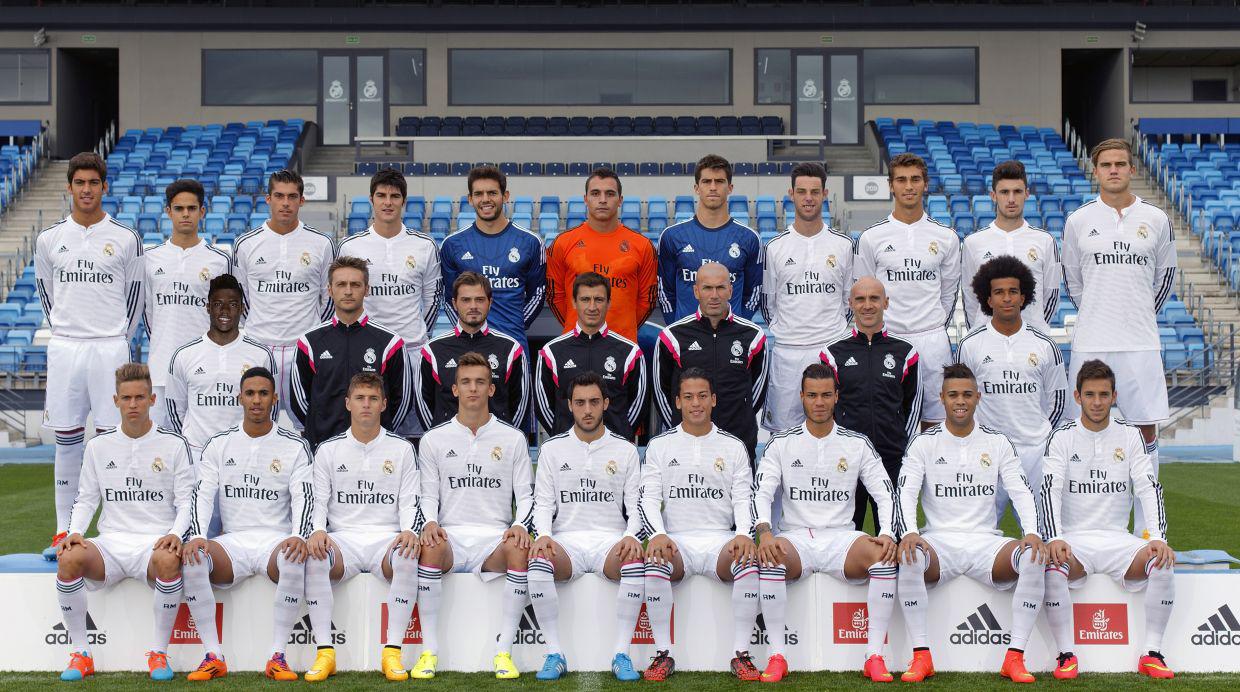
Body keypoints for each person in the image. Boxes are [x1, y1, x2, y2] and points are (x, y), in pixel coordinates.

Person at [893, 363, 1047, 684]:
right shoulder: (924, 442)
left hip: (986, 544)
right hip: (939, 543)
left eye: (966, 394)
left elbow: (1021, 490)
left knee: (1033, 555)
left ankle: (1015, 657)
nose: (959, 401)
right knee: (909, 556)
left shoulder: (997, 442)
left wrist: (1031, 532)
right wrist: (909, 532)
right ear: (942, 398)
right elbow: (905, 492)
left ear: (978, 397)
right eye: (953, 395)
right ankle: (921, 656)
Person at [751, 363, 900, 682]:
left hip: (841, 539)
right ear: (802, 397)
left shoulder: (856, 443)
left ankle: (874, 655)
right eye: (812, 395)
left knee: (884, 558)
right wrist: (764, 532)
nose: (819, 402)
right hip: (796, 539)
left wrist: (886, 532)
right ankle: (777, 655)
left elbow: (886, 493)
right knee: (771, 558)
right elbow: (761, 492)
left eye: (826, 395)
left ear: (836, 397)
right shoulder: (781, 443)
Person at [1063, 138, 1176, 538]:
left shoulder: (1157, 219)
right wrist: (1101, 311)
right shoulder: (1078, 221)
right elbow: (1074, 282)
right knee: (1081, 429)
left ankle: (1148, 533)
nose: (1114, 170)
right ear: (1095, 170)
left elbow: (1165, 277)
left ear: (1132, 169)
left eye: (1121, 164)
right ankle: (1081, 528)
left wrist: (1138, 313)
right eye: (1106, 164)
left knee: (1145, 432)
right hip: (1092, 340)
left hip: (1141, 343)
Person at [53, 363, 194, 682]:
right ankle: (81, 654)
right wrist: (75, 532)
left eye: (140, 398)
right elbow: (86, 498)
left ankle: (159, 653)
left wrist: (174, 533)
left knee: (169, 560)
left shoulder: (174, 445)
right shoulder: (98, 447)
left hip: (153, 543)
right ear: (116, 400)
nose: (133, 405)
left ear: (152, 400)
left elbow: (187, 500)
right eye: (127, 398)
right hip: (112, 543)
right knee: (69, 557)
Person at [35, 151, 145, 559]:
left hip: (109, 345)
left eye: (93, 183)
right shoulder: (49, 239)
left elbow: (135, 299)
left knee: (111, 438)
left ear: (104, 187)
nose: (86, 189)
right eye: (79, 183)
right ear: (69, 187)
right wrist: (67, 330)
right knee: (66, 437)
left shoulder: (125, 237)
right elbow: (47, 294)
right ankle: (63, 529)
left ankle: (111, 528)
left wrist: (116, 338)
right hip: (65, 345)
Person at [1040, 360, 1176, 680]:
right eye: (1090, 394)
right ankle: (1065, 655)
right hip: (1075, 540)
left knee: (1163, 560)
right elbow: (1050, 490)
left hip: (1119, 540)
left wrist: (1158, 537)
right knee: (1051, 565)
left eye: (1104, 394)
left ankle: (1152, 653)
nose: (1097, 402)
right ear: (1077, 396)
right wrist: (1055, 537)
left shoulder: (1129, 435)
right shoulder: (1062, 436)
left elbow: (1148, 486)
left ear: (1114, 396)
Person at [178, 366, 314, 681]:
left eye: (263, 394)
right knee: (195, 557)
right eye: (250, 393)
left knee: (294, 558)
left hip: (274, 542)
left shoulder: (293, 445)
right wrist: (198, 535)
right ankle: (212, 655)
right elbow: (202, 493)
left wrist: (298, 535)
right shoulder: (218, 444)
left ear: (275, 399)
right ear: (239, 397)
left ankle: (277, 656)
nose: (256, 400)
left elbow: (304, 497)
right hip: (233, 542)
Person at [414, 351, 535, 680]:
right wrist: (429, 522)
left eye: (480, 382)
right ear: (454, 390)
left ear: (491, 390)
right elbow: (427, 494)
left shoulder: (513, 439)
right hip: (451, 536)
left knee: (521, 549)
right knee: (429, 546)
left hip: (493, 538)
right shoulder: (433, 440)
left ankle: (503, 652)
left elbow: (525, 496)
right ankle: (430, 651)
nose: (473, 389)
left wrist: (520, 525)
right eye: (465, 382)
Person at [303, 373, 424, 682]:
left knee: (409, 554)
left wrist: (410, 529)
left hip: (387, 539)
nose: (366, 405)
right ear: (348, 404)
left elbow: (410, 501)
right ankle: (325, 652)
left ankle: (392, 652)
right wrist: (317, 530)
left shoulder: (402, 449)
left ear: (384, 404)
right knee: (316, 556)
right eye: (360, 398)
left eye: (373, 399)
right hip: (344, 541)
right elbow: (318, 501)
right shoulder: (329, 450)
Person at [638, 367, 758, 681]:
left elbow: (743, 498)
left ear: (714, 400)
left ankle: (741, 654)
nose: (696, 403)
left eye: (702, 396)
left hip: (720, 540)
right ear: (677, 402)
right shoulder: (660, 446)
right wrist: (658, 534)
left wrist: (744, 533)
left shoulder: (733, 446)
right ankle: (663, 653)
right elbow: (649, 498)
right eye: (688, 397)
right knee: (654, 562)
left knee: (748, 562)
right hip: (677, 541)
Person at [526, 371, 645, 681]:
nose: (587, 410)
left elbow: (636, 507)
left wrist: (631, 535)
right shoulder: (552, 450)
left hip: (611, 542)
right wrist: (544, 536)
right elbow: (543, 504)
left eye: (594, 402)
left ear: (606, 403)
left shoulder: (626, 450)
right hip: (567, 542)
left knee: (634, 559)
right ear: (569, 405)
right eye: (580, 403)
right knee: (537, 562)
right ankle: (554, 652)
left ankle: (622, 653)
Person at [955, 255, 1067, 519]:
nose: (1006, 298)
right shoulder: (970, 345)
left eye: (1013, 292)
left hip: (1034, 452)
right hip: (987, 451)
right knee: (977, 533)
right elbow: (961, 398)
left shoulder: (1045, 345)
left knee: (1043, 533)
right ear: (988, 298)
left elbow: (1058, 400)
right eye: (999, 292)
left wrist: (1039, 433)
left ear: (1023, 297)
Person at [854, 152, 961, 427]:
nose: (909, 186)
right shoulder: (871, 238)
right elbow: (864, 292)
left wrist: (933, 323)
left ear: (926, 184)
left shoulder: (945, 237)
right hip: (888, 339)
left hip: (932, 340)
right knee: (888, 420)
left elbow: (948, 294)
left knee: (935, 422)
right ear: (891, 185)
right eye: (901, 180)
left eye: (915, 179)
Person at [336, 168, 443, 440]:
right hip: (367, 352)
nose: (388, 202)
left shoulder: (424, 246)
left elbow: (432, 299)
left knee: (414, 432)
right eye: (381, 195)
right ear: (371, 200)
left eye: (395, 196)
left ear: (403, 201)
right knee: (365, 426)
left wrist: (416, 334)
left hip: (411, 350)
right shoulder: (351, 246)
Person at [232, 169, 336, 427]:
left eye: (292, 196)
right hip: (259, 348)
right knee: (255, 422)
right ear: (268, 199)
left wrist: (310, 334)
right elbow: (242, 299)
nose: (285, 203)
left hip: (302, 349)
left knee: (308, 423)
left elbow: (329, 299)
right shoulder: (245, 244)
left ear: (302, 200)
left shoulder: (321, 243)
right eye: (279, 196)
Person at [819, 277, 920, 532]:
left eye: (874, 298)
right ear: (850, 303)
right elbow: (823, 407)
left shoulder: (906, 352)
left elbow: (913, 404)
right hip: (846, 458)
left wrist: (898, 442)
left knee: (894, 538)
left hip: (890, 459)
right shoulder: (832, 353)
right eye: (860, 299)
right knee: (843, 538)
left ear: (886, 302)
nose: (867, 305)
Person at [761, 162, 854, 433]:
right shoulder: (775, 247)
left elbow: (849, 303)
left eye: (815, 191)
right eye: (802, 191)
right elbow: (770, 306)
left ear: (825, 193)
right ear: (791, 194)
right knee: (783, 432)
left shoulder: (843, 245)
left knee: (834, 429)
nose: (808, 198)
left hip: (830, 348)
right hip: (788, 352)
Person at [291, 256, 410, 449]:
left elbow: (402, 400)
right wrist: (319, 429)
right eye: (341, 284)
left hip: (375, 447)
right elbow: (300, 401)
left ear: (367, 289)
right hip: (323, 447)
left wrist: (379, 431)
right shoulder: (309, 342)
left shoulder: (390, 342)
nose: (348, 291)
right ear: (329, 290)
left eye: (355, 284)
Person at [654, 262, 767, 461]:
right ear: (696, 291)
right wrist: (680, 423)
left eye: (720, 287)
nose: (714, 295)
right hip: (687, 442)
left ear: (731, 290)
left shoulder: (754, 336)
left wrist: (740, 417)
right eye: (707, 288)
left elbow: (757, 391)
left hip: (738, 441)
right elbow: (662, 393)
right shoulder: (672, 336)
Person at [143, 178, 232, 427]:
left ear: (202, 212)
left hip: (205, 368)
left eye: (192, 209)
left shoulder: (219, 260)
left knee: (205, 446)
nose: (185, 214)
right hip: (161, 369)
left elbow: (226, 316)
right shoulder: (150, 259)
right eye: (179, 208)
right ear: (168, 212)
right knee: (162, 449)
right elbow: (149, 315)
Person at [165, 274, 276, 456]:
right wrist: (190, 444)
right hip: (198, 453)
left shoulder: (261, 355)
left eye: (232, 304)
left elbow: (270, 408)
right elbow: (175, 409)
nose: (224, 311)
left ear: (242, 308)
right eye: (217, 304)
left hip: (243, 452)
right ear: (208, 307)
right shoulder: (184, 355)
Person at [439, 165, 545, 352]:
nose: (485, 199)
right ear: (470, 199)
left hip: (514, 345)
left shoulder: (530, 242)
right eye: (479, 194)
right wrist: (470, 328)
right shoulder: (452, 244)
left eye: (492, 193)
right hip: (469, 347)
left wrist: (516, 324)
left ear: (505, 196)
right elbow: (448, 299)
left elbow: (538, 294)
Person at [546, 167, 657, 342]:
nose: (603, 200)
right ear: (586, 199)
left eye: (610, 194)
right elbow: (555, 297)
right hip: (574, 344)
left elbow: (646, 301)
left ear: (620, 200)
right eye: (596, 193)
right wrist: (576, 323)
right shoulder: (562, 243)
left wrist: (623, 327)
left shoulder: (642, 246)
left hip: (623, 344)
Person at [535, 271, 646, 439]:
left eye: (599, 300)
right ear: (574, 302)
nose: (592, 307)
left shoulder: (630, 352)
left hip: (614, 452)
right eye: (585, 299)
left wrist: (618, 436)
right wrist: (564, 434)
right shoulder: (552, 352)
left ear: (609, 303)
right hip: (567, 449)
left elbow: (639, 404)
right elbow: (543, 407)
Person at [657, 154, 763, 323]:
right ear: (696, 188)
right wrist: (677, 327)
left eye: (719, 181)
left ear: (730, 188)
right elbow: (665, 292)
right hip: (686, 338)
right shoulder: (672, 236)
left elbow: (754, 292)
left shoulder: (749, 238)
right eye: (706, 181)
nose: (713, 187)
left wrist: (737, 325)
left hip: (731, 338)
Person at [416, 272, 528, 430]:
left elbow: (520, 405)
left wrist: (503, 437)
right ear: (454, 303)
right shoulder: (433, 351)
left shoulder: (511, 349)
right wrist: (440, 437)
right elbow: (424, 405)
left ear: (490, 302)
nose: (473, 306)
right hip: (448, 445)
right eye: (466, 300)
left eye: (480, 300)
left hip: (496, 446)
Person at [960, 161, 1061, 333]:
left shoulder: (1045, 241)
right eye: (1005, 192)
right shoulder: (973, 242)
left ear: (1027, 194)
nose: (1011, 199)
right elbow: (970, 298)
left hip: (1032, 342)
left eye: (1017, 191)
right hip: (986, 341)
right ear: (993, 195)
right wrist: (980, 332)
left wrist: (1034, 328)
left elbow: (1051, 295)